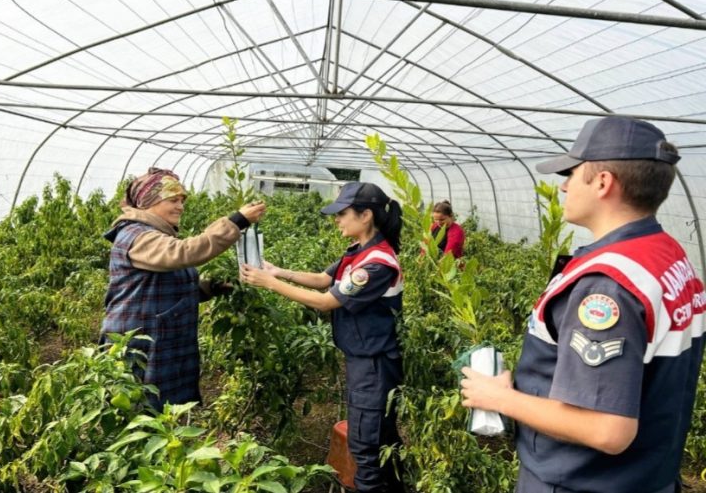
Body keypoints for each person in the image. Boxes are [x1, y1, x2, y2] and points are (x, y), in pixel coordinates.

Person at [460, 117, 705, 493]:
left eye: (572, 174)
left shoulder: (607, 287)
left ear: (603, 182)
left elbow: (608, 429)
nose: (563, 186)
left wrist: (500, 398)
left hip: (584, 481)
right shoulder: (669, 256)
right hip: (646, 475)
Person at [240, 182, 405, 493]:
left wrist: (268, 283)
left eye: (342, 213)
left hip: (374, 365)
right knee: (382, 441)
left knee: (365, 448)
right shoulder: (360, 252)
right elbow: (323, 280)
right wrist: (279, 272)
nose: (337, 220)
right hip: (366, 359)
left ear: (366, 215)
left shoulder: (375, 264)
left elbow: (326, 301)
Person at [100, 167, 265, 411]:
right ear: (149, 202)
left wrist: (212, 288)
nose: (180, 206)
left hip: (161, 337)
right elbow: (184, 253)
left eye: (182, 200)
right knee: (137, 411)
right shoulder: (136, 235)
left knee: (161, 413)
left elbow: (165, 285)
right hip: (139, 341)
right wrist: (236, 222)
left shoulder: (155, 234)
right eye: (173, 200)